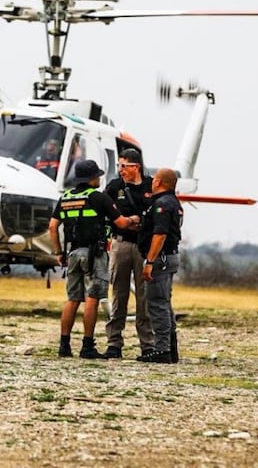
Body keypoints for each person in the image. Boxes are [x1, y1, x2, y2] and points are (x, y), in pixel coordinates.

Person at [48, 158, 135, 358]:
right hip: (95, 254)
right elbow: (121, 223)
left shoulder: (66, 197)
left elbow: (53, 227)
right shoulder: (99, 197)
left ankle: (64, 346)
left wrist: (59, 253)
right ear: (92, 178)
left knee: (72, 299)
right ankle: (87, 346)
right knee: (93, 298)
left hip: (72, 254)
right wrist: (134, 220)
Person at [101, 148, 153, 359]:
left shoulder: (150, 186)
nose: (121, 170)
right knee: (118, 294)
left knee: (144, 297)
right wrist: (128, 221)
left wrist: (139, 221)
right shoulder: (114, 187)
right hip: (121, 244)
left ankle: (147, 344)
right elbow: (104, 209)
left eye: (125, 166)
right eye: (119, 166)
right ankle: (114, 343)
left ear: (136, 167)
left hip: (144, 246)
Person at [137, 168, 184, 363]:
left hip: (161, 259)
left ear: (159, 182)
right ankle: (170, 349)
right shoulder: (174, 202)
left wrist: (150, 261)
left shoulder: (162, 204)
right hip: (169, 257)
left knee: (157, 304)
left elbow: (160, 234)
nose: (152, 182)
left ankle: (162, 350)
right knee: (164, 303)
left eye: (155, 179)